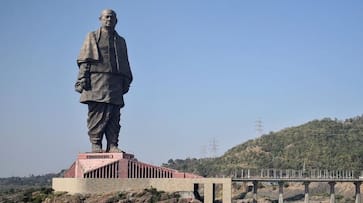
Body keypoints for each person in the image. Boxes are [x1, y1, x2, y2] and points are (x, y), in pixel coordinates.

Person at [75, 9, 133, 153]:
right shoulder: (93, 36)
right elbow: (85, 60)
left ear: (116, 21)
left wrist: (125, 80)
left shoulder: (120, 41)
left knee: (114, 115)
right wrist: (82, 78)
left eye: (112, 17)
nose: (109, 19)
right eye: (106, 17)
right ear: (100, 19)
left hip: (115, 81)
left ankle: (112, 144)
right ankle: (96, 143)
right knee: (97, 113)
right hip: (97, 80)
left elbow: (125, 62)